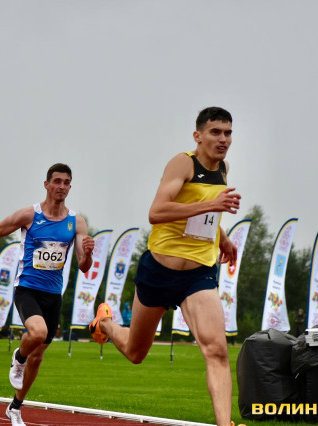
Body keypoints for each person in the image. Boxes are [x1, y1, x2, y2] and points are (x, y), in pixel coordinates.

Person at [89, 107, 240, 426]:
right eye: (215, 132)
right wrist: (212, 204)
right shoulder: (183, 163)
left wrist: (222, 237)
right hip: (159, 271)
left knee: (216, 350)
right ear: (198, 136)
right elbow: (156, 212)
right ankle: (105, 324)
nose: (223, 139)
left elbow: (205, 215)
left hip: (199, 273)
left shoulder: (223, 169)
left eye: (228, 133)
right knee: (135, 353)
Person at [0, 163, 94, 426]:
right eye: (57, 181)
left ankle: (15, 407)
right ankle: (18, 357)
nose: (62, 187)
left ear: (70, 186)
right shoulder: (30, 215)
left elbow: (83, 266)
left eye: (66, 182)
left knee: (39, 356)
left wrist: (88, 253)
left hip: (53, 295)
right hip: (27, 289)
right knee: (38, 333)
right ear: (47, 184)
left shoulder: (76, 222)